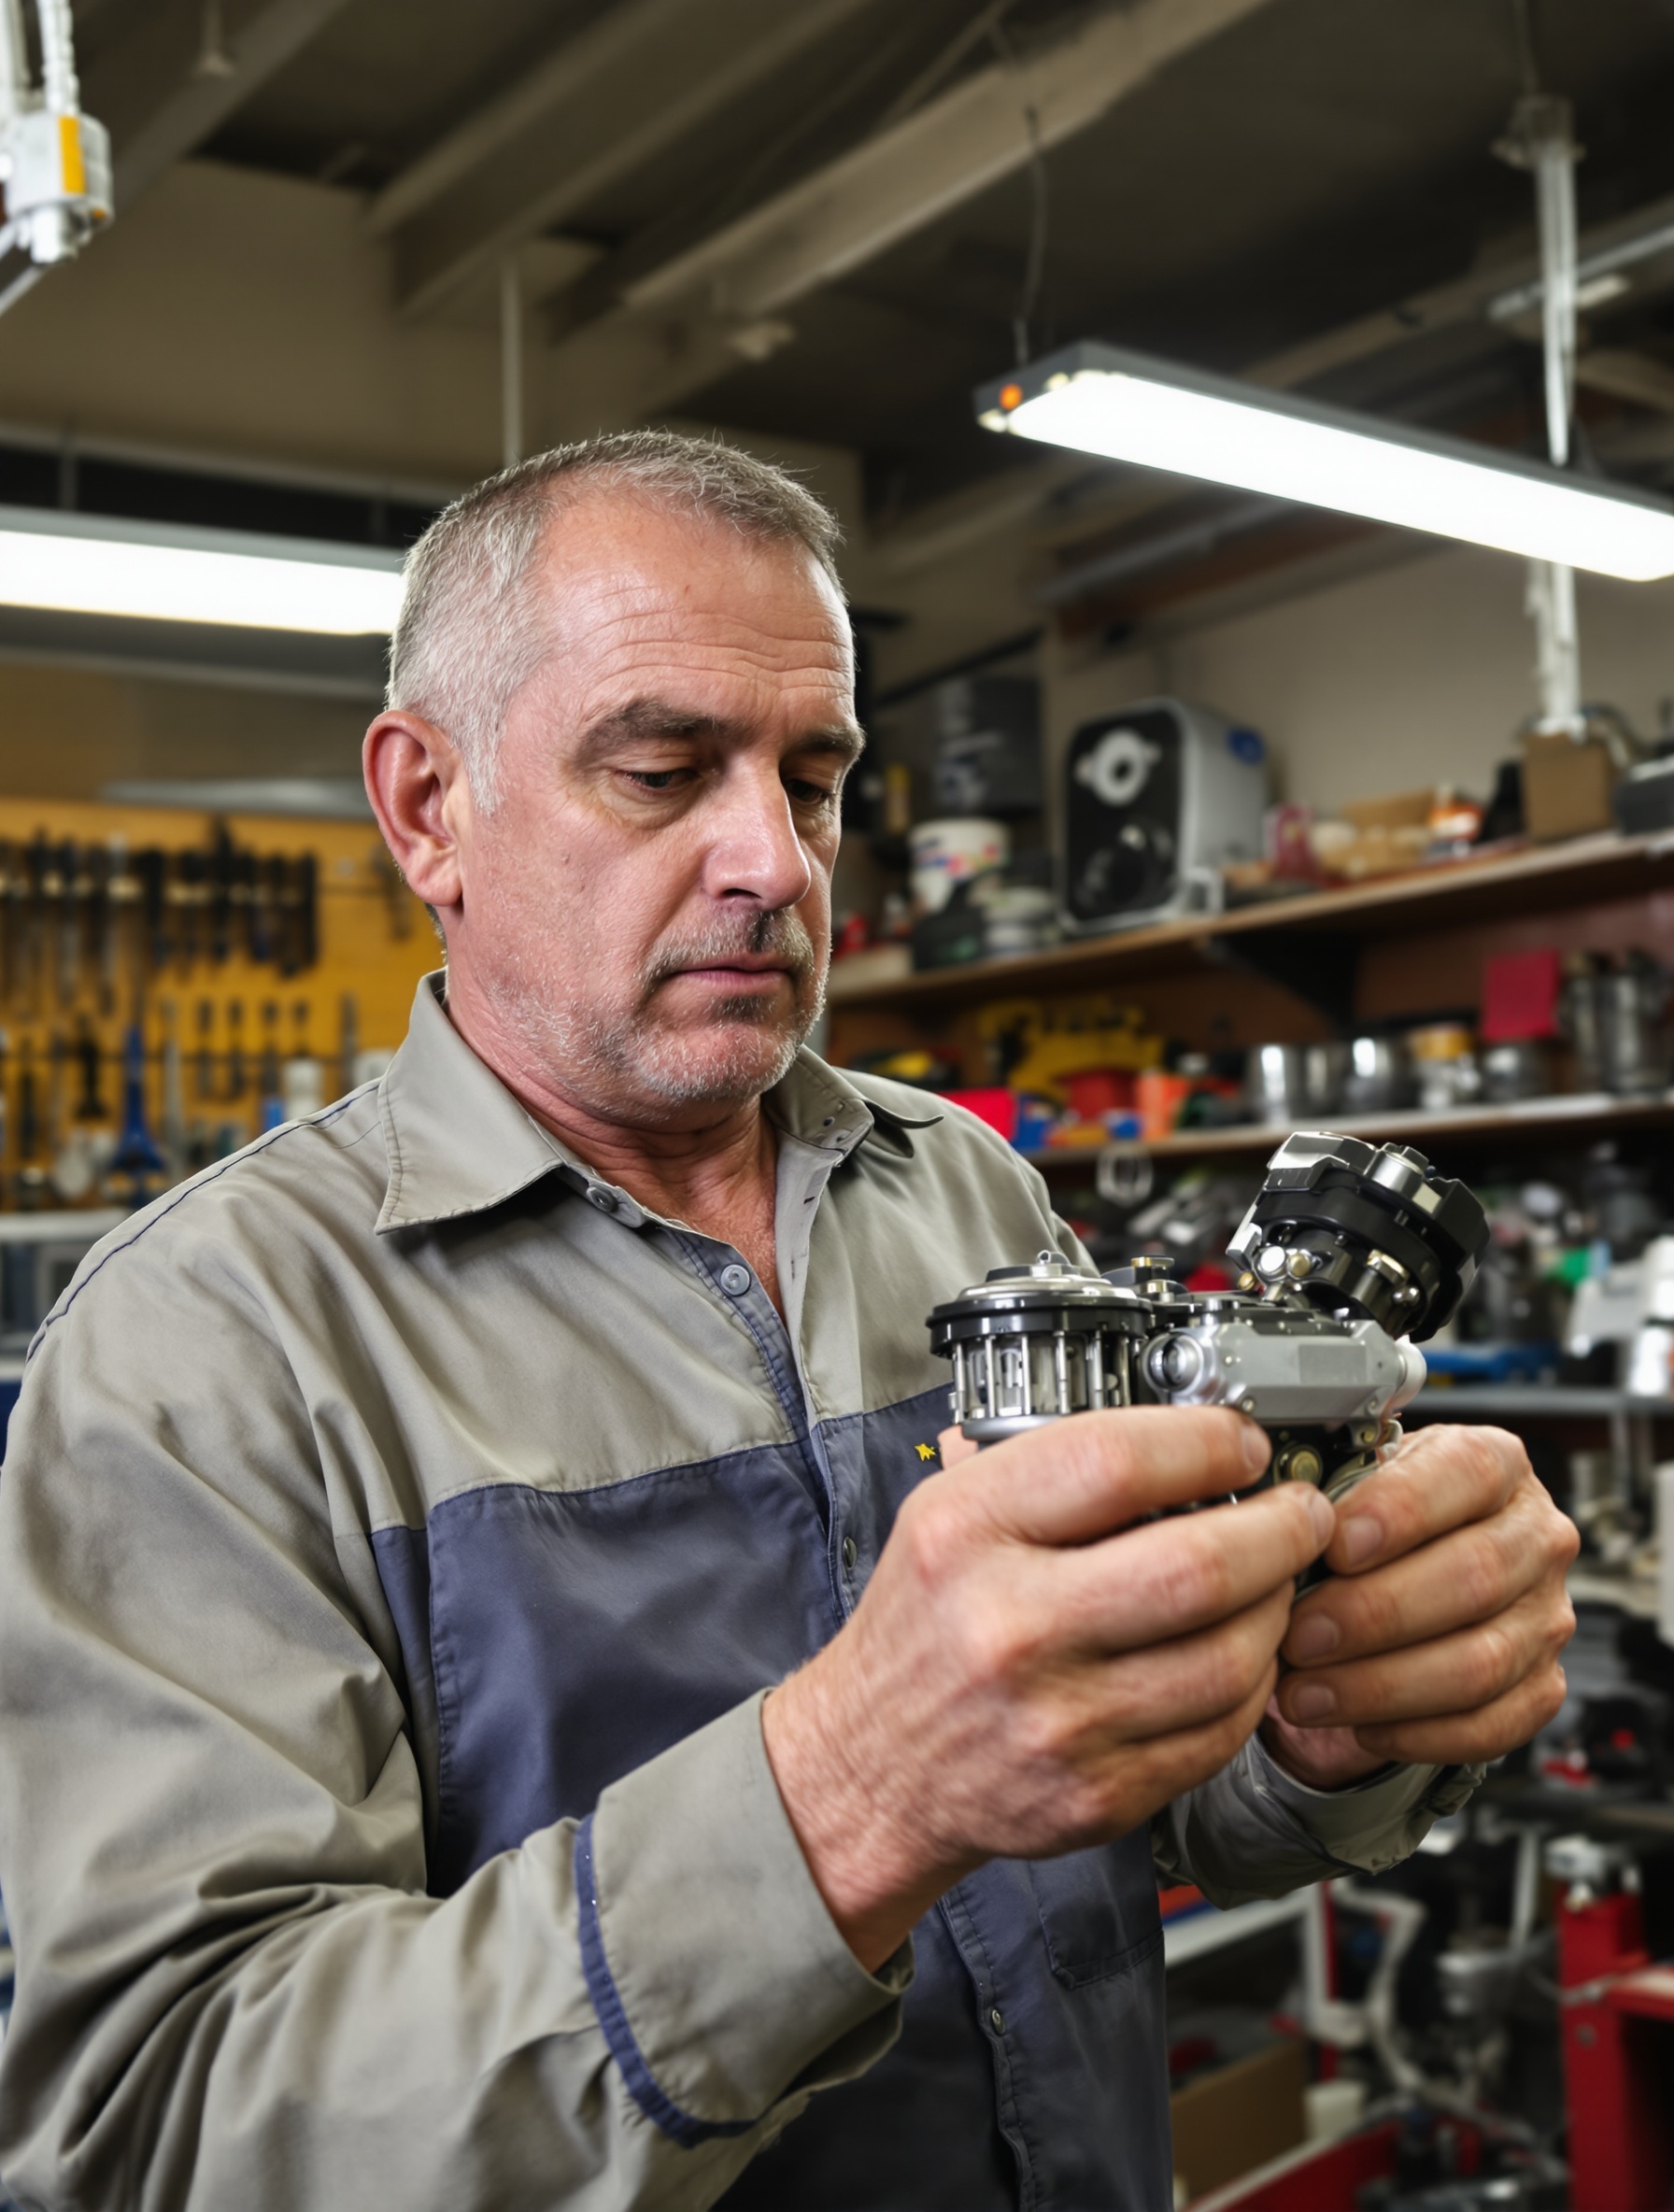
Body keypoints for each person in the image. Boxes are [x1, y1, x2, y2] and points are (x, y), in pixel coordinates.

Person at [0, 433, 1576, 2212]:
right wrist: (844, 1799)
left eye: (813, 780)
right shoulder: (206, 1354)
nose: (774, 859)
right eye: (664, 771)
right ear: (430, 810)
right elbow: (163, 2139)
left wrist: (1331, 1727)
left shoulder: (967, 1197)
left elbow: (1166, 1796)